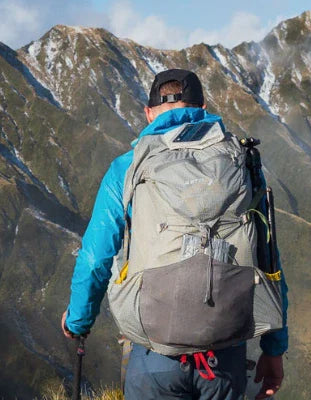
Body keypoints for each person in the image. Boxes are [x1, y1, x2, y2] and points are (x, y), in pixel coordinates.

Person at [60, 69, 289, 400]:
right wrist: (274, 349)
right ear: (203, 106)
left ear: (149, 113)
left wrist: (78, 321)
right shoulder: (240, 161)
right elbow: (269, 258)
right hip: (224, 353)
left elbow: (96, 257)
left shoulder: (128, 167)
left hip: (154, 354)